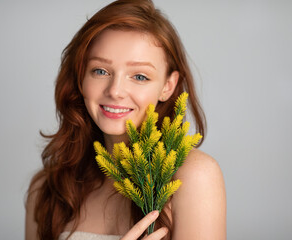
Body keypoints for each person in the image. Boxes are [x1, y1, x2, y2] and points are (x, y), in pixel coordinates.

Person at [25, 0, 226, 239]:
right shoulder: (47, 189)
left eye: (140, 76)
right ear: (81, 77)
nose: (115, 90)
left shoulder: (193, 177)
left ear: (168, 86)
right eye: (100, 71)